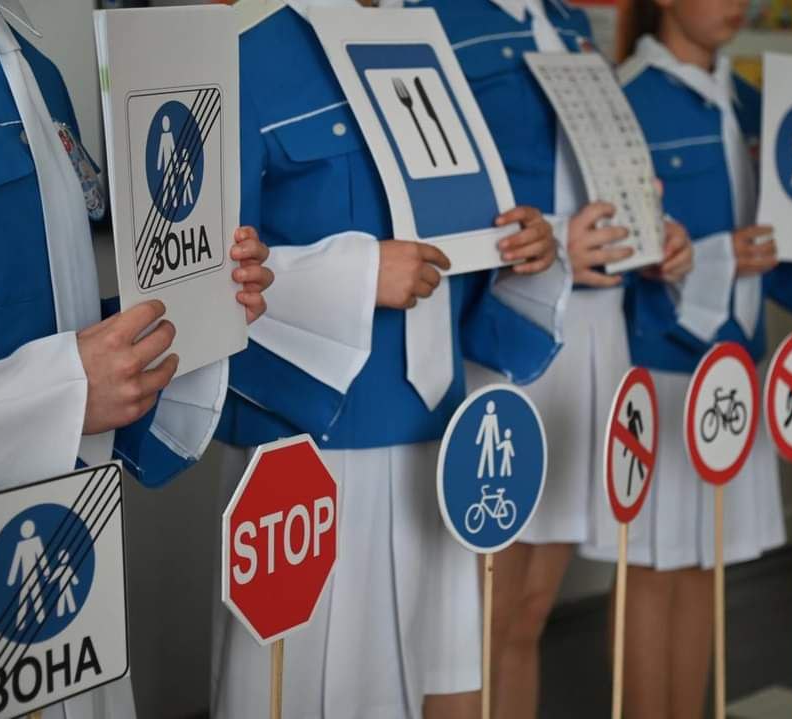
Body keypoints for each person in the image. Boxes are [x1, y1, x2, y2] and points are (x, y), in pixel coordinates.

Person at [0, 1, 272, 716]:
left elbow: (46, 312)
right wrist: (64, 388)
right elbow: (63, 369)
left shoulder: (35, 67)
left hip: (69, 543)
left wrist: (195, 300)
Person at [211, 1, 571, 718]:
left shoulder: (428, 45)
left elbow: (460, 254)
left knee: (454, 687)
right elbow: (194, 280)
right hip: (310, 455)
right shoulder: (237, 57)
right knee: (309, 696)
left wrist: (521, 252)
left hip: (439, 442)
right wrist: (356, 273)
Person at [579, 1, 792, 717]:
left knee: (708, 561)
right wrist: (715, 257)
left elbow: (787, 244)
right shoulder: (623, 100)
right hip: (659, 367)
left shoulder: (756, 102)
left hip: (736, 365)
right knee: (649, 565)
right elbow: (607, 246)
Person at [417, 2, 692, 717]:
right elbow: (423, 200)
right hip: (503, 334)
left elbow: (602, 176)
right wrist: (558, 242)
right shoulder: (434, 17)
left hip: (596, 336)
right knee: (476, 618)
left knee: (531, 609)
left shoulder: (570, 23)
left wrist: (654, 234)